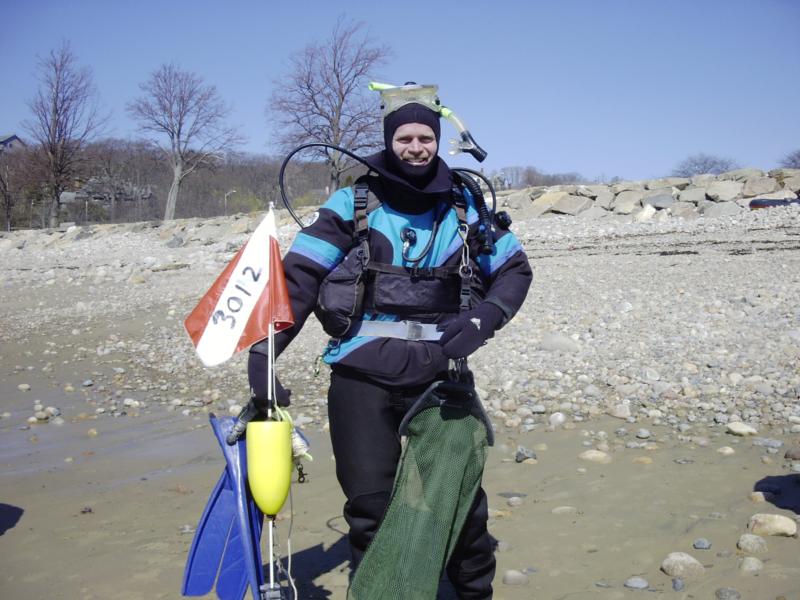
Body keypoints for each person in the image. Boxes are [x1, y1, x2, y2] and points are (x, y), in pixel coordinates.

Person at [248, 85, 532, 599]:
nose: (416, 147)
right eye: (406, 137)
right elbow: (298, 280)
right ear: (389, 140)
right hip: (361, 376)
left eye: (426, 137)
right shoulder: (352, 203)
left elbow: (513, 270)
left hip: (441, 376)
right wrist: (264, 356)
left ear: (439, 142)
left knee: (465, 509)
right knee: (370, 511)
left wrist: (485, 318)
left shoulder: (465, 204)